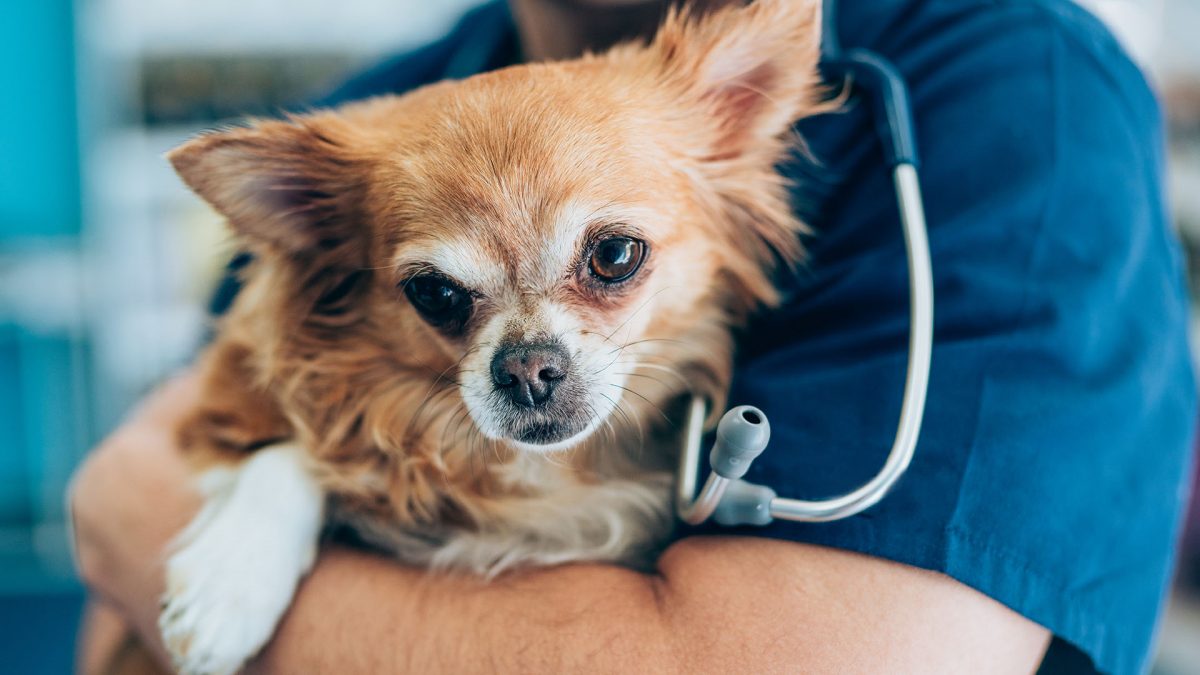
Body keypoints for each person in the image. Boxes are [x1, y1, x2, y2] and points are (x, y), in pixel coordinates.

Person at [70, 0, 1196, 672]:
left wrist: (137, 523)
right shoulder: (367, 122)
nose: (534, 356)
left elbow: (137, 515)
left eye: (609, 261)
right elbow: (140, 584)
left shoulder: (1008, 88)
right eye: (445, 298)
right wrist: (256, 495)